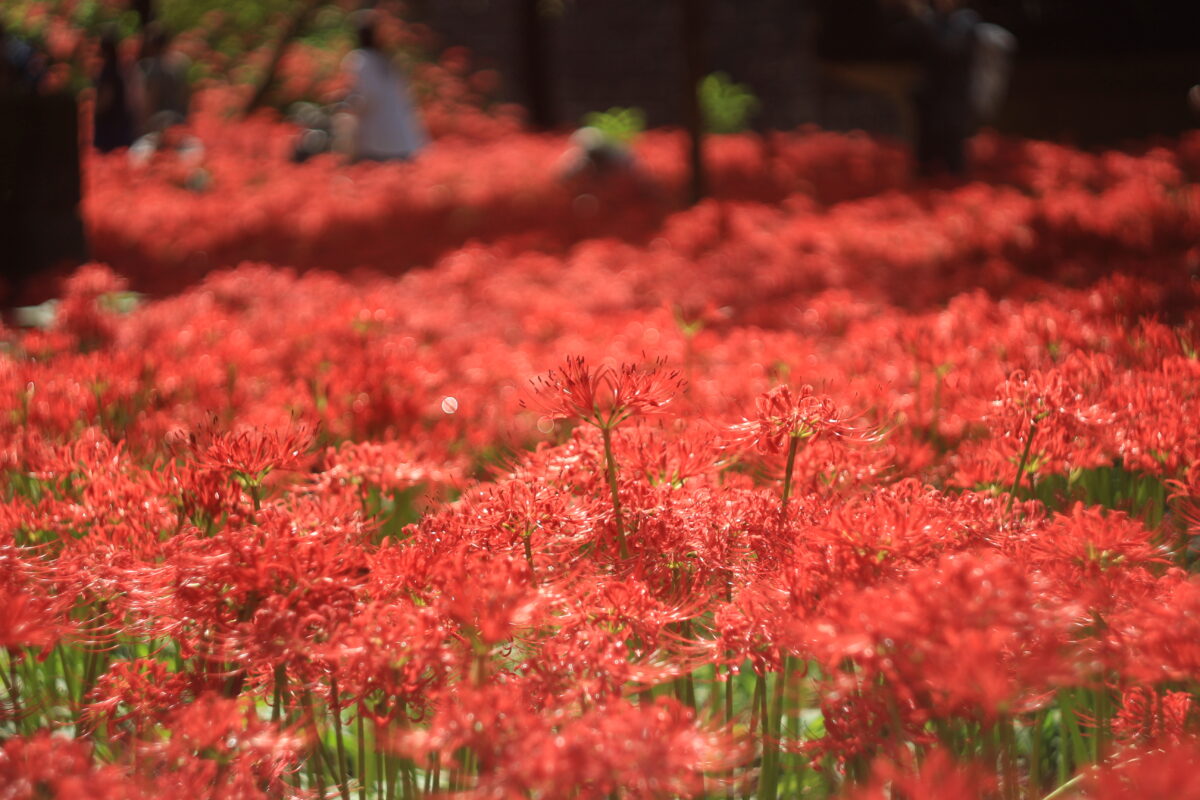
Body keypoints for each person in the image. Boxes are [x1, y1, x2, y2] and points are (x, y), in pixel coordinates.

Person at [896, 0, 981, 177]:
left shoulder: (965, 21)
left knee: (952, 155)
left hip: (952, 100)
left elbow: (948, 49)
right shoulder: (933, 21)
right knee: (925, 155)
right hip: (929, 100)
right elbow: (900, 42)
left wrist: (923, 18)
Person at [341, 12, 428, 162]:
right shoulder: (388, 59)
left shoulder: (361, 60)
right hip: (403, 138)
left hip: (379, 140)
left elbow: (367, 98)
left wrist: (347, 104)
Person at [136, 22, 189, 134]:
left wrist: (143, 126)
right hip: (178, 120)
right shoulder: (181, 64)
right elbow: (185, 95)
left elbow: (150, 99)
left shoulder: (151, 68)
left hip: (158, 122)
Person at [93, 29, 136, 152]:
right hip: (119, 121)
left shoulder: (108, 71)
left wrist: (94, 111)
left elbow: (106, 97)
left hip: (109, 124)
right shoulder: (119, 69)